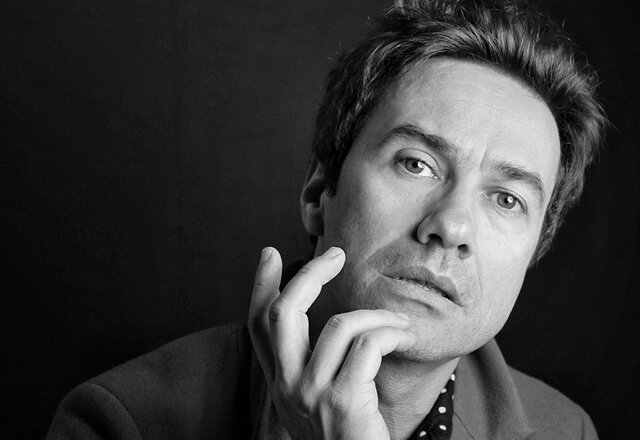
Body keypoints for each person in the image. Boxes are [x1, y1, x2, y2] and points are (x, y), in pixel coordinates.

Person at [46, 0, 606, 438]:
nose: (451, 227)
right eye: (416, 164)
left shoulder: (570, 431)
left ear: (535, 250)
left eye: (507, 199)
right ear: (319, 192)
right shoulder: (120, 421)